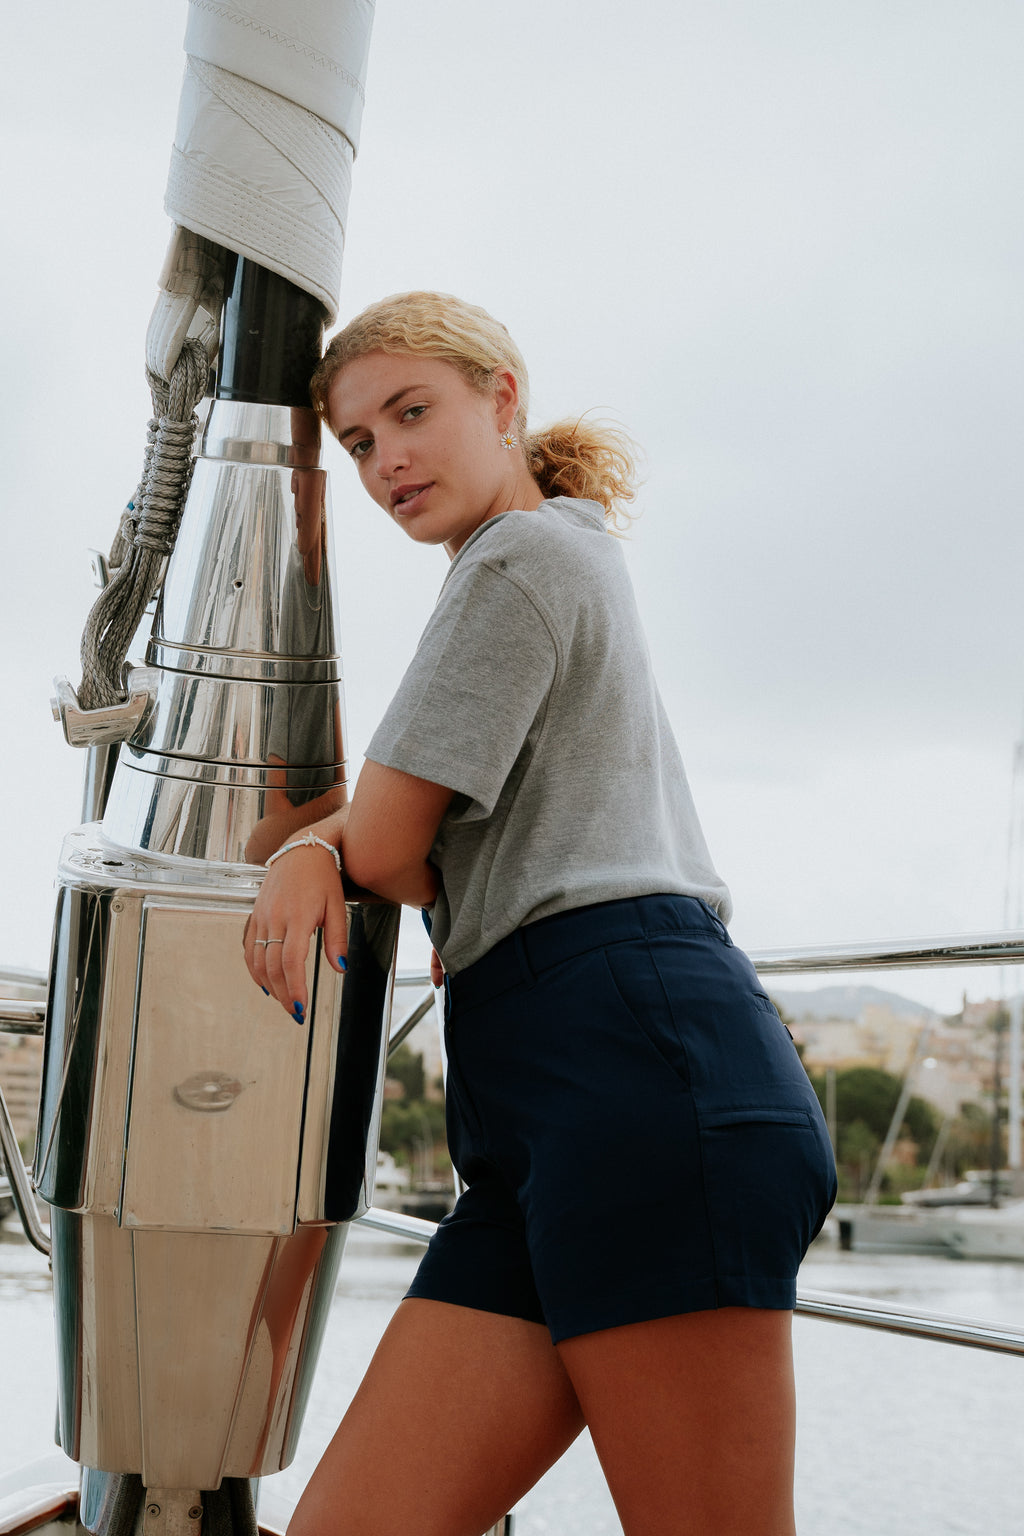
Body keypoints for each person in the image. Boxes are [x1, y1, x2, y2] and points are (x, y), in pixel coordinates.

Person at [244, 291, 837, 1536]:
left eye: (413, 414)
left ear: (502, 397)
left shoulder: (519, 561)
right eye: (355, 443)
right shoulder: (539, 555)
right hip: (541, 1100)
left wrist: (315, 843)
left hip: (636, 1065)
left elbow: (395, 847)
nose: (386, 459)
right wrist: (318, 839)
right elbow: (390, 828)